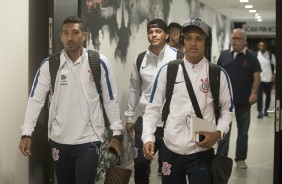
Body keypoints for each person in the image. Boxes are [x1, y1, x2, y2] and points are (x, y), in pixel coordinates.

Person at [19, 16, 123, 184]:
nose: (70, 38)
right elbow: (35, 100)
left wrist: (117, 133)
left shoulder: (98, 62)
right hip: (60, 140)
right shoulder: (50, 65)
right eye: (66, 33)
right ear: (60, 36)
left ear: (84, 35)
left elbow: (110, 99)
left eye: (75, 33)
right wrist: (26, 132)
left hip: (89, 140)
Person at [142, 17, 234, 184]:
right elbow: (153, 108)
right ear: (183, 40)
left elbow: (228, 111)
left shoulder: (218, 74)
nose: (193, 43)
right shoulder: (168, 71)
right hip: (170, 149)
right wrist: (148, 137)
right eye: (189, 38)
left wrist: (218, 133)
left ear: (206, 42)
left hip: (201, 151)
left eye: (199, 38)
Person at [124, 18, 182, 184]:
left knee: (167, 168)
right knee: (140, 163)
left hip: (170, 123)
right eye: (150, 32)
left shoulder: (178, 57)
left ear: (166, 35)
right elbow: (134, 89)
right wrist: (129, 117)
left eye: (158, 32)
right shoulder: (140, 59)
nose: (154, 35)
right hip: (145, 120)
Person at [216, 28, 261, 169]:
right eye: (233, 38)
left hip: (243, 102)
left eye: (237, 38)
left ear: (244, 41)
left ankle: (240, 159)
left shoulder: (252, 56)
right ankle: (221, 157)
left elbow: (257, 76)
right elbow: (216, 74)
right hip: (225, 102)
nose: (234, 41)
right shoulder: (224, 55)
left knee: (243, 133)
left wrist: (254, 93)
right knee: (223, 131)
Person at [256, 40, 276, 118]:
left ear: (266, 46)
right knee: (259, 96)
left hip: (268, 79)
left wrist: (274, 74)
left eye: (263, 46)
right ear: (258, 47)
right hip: (259, 79)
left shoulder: (271, 55)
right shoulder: (256, 55)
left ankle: (266, 110)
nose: (262, 47)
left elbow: (276, 65)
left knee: (268, 95)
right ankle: (260, 112)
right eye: (260, 46)